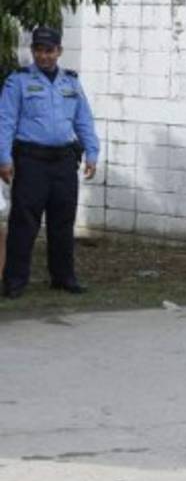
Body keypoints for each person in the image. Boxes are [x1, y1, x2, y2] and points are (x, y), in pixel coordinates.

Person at [0, 26, 100, 298]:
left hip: (64, 161)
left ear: (59, 51)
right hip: (31, 160)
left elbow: (83, 119)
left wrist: (92, 152)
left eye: (49, 50)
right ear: (33, 51)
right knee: (24, 223)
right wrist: (4, 158)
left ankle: (63, 277)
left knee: (62, 222)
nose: (44, 55)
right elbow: (5, 121)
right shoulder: (18, 81)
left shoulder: (70, 82)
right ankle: (15, 282)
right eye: (39, 50)